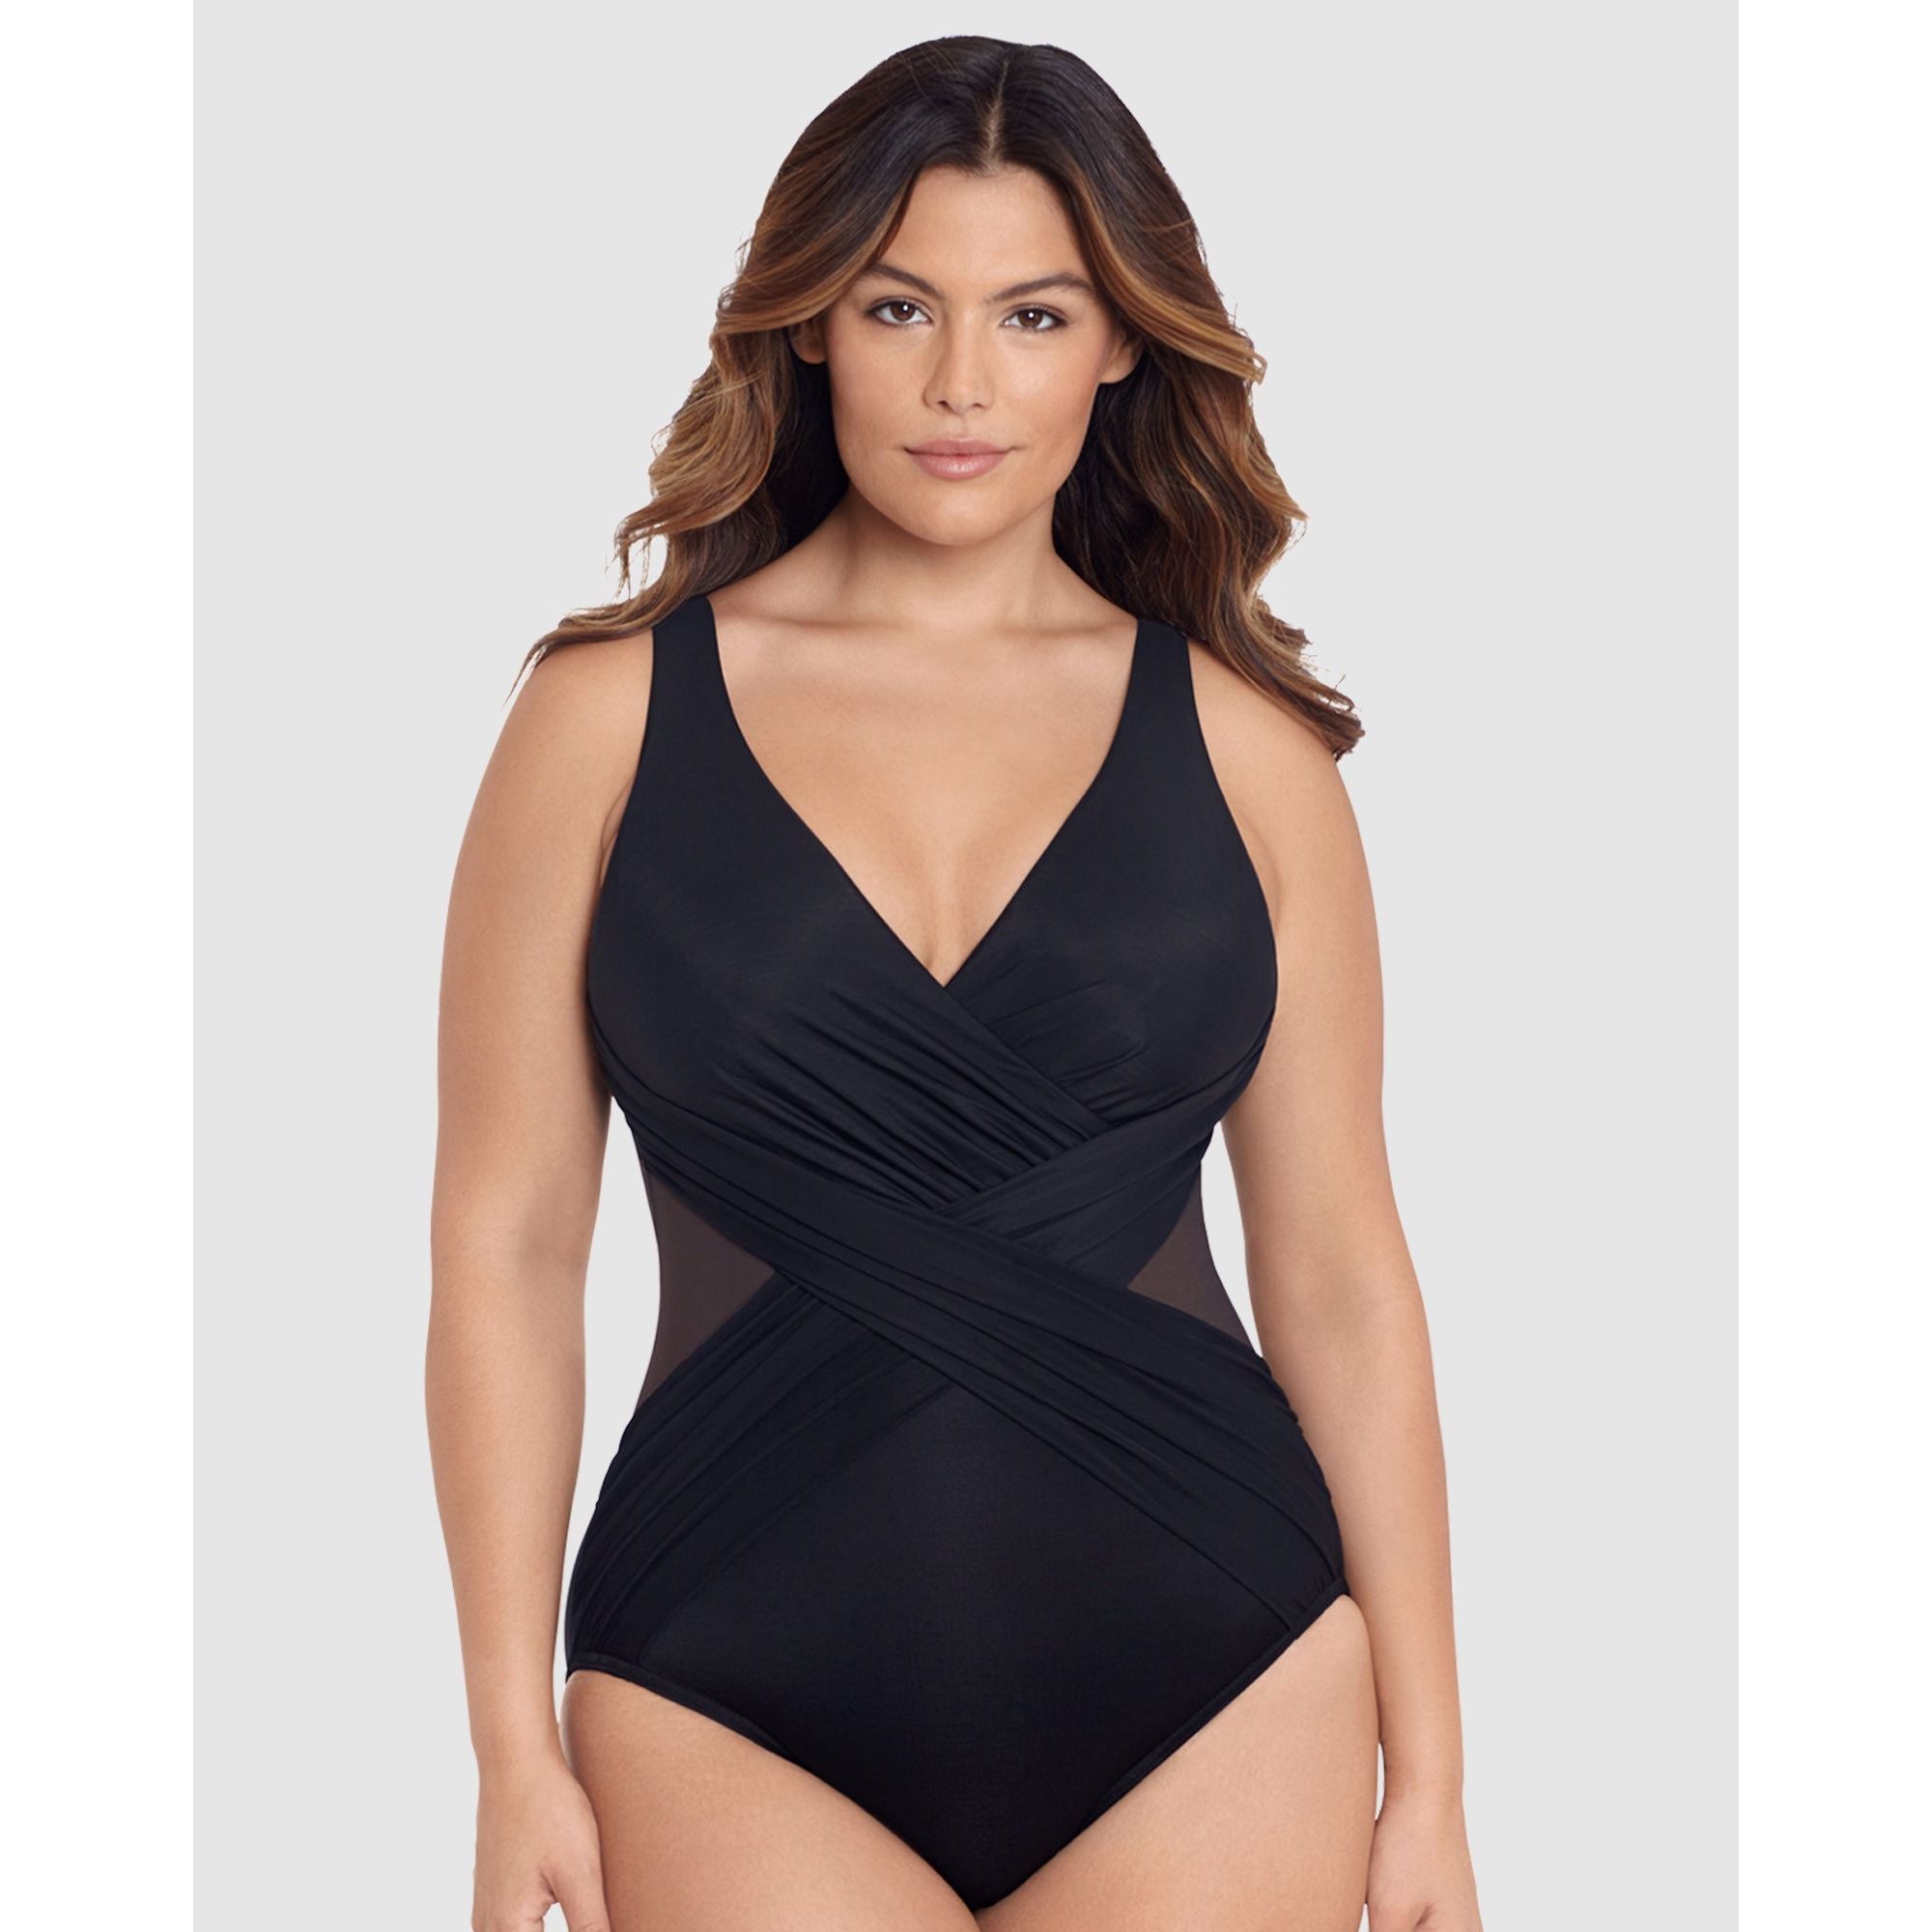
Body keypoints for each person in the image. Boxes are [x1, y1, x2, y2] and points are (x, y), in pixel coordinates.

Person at [428, 34, 1483, 1932]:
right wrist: (509, 1740)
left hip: (1219, 1666)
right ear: (809, 324)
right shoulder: (601, 723)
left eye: (1034, 313)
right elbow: (506, 1240)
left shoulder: (1253, 753)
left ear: (1121, 342)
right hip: (721, 1669)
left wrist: (1440, 1784)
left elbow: (1337, 1265)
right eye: (899, 305)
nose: (962, 383)